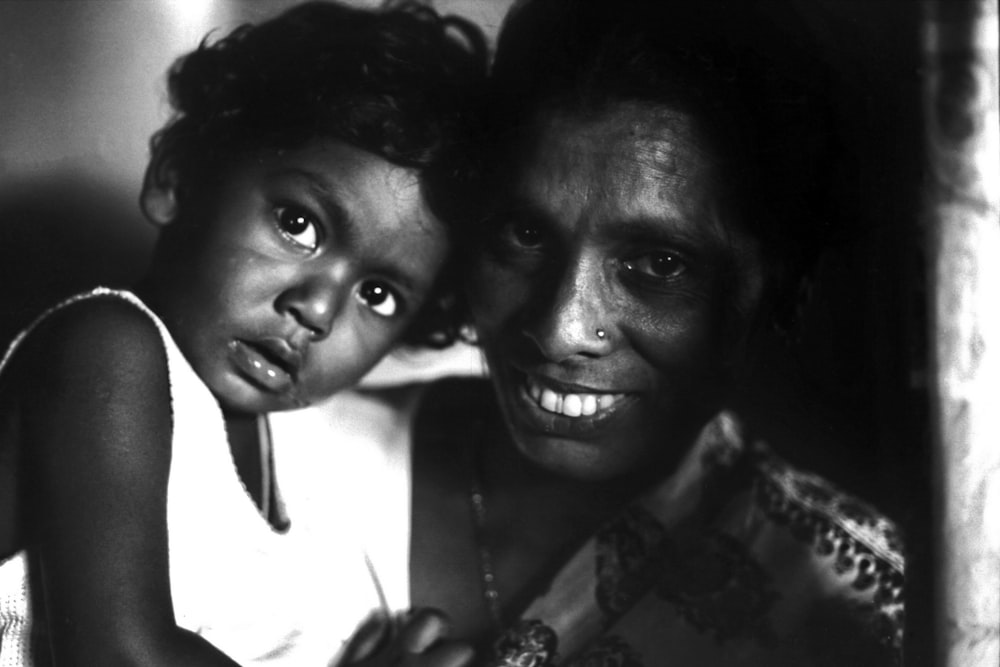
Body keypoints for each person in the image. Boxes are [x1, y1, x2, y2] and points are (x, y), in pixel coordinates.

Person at [406, 0, 905, 665]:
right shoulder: (300, 446)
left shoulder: (853, 602)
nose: (560, 329)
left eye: (658, 264)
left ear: (776, 290)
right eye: (525, 234)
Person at [0, 2, 485, 665]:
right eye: (298, 224)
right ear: (179, 179)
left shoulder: (291, 459)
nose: (316, 309)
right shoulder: (109, 349)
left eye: (377, 294)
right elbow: (119, 654)